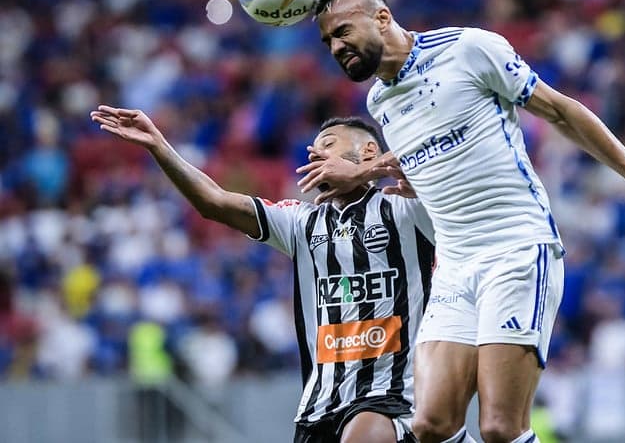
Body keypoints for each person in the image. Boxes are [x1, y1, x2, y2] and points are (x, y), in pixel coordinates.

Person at [296, 0, 625, 443]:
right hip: (455, 267)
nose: (336, 47)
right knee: (431, 424)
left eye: (343, 32)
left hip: (516, 250)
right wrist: (377, 176)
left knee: (500, 428)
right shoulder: (381, 100)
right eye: (328, 41)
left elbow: (561, 110)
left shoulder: (469, 50)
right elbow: (428, 158)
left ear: (381, 17)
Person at [90, 106, 435, 443]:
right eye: (313, 148)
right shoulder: (301, 221)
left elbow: (450, 160)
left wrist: (364, 173)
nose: (316, 152)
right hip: (319, 406)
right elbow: (214, 202)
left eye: (328, 144)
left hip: (391, 396)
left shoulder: (406, 207)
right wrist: (158, 146)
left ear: (369, 150)